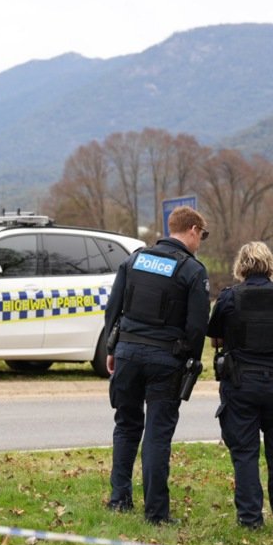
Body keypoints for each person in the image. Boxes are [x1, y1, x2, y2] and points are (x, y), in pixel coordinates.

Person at [102, 205, 211, 525]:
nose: (201, 241)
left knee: (126, 425)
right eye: (201, 235)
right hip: (166, 360)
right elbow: (197, 326)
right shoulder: (192, 271)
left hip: (127, 354)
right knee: (157, 435)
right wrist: (191, 361)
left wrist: (112, 347)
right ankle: (156, 513)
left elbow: (114, 308)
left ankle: (119, 498)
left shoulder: (133, 260)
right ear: (192, 230)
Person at [207, 241, 273, 533]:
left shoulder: (229, 298)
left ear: (242, 266)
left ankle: (250, 520)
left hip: (241, 385)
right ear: (271, 265)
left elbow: (214, 339)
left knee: (245, 453)